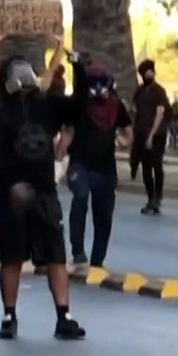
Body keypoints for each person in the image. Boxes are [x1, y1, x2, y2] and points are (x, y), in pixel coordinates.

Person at [0, 35, 86, 341]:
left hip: (44, 193)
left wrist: (77, 65)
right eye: (17, 69)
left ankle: (64, 315)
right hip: (13, 198)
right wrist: (8, 186)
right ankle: (9, 315)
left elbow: (78, 107)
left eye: (26, 68)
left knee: (56, 256)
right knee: (12, 257)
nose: (24, 74)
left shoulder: (47, 107)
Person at [65, 63, 131, 270]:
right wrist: (59, 153)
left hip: (106, 168)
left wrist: (124, 140)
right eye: (93, 82)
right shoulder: (80, 105)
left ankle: (97, 261)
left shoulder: (116, 106)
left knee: (104, 215)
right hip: (80, 164)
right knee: (80, 197)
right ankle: (78, 252)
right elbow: (67, 131)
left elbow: (128, 130)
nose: (98, 87)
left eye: (102, 83)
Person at [130, 60, 169, 214]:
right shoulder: (139, 92)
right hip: (141, 133)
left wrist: (151, 135)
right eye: (145, 72)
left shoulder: (159, 91)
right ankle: (150, 198)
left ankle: (157, 198)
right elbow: (135, 112)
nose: (148, 74)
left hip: (157, 134)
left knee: (157, 165)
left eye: (149, 71)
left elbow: (160, 114)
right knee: (146, 167)